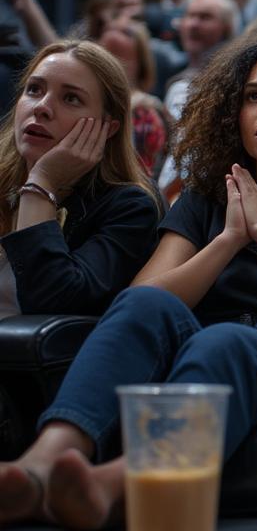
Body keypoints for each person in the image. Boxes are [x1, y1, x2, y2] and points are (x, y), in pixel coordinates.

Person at [0, 36, 257, 529]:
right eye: (253, 96)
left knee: (227, 341)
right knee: (148, 310)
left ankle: (117, 486)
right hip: (205, 350)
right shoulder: (204, 200)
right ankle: (41, 466)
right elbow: (141, 299)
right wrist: (228, 240)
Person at [0, 40, 160, 321]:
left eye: (70, 98)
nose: (42, 108)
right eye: (34, 90)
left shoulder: (129, 209)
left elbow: (52, 300)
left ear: (107, 128)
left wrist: (41, 183)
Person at [98, 19, 170, 177]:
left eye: (125, 32)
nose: (112, 33)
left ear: (140, 54)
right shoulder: (88, 97)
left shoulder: (147, 110)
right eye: (108, 28)